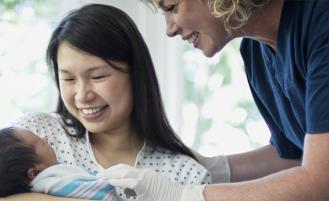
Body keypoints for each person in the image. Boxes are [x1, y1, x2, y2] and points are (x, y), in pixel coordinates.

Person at [99, 0, 329, 200]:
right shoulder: (255, 52)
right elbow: (293, 155)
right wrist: (211, 167)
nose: (169, 30)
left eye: (171, 7)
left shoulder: (320, 21)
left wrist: (185, 196)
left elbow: (320, 179)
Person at [4, 3, 212, 201]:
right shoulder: (34, 134)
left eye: (98, 77)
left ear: (136, 74)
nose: (82, 95)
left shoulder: (184, 175)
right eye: (68, 79)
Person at [0, 126, 119, 201]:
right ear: (34, 172)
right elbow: (101, 192)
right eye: (41, 143)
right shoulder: (52, 183)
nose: (45, 139)